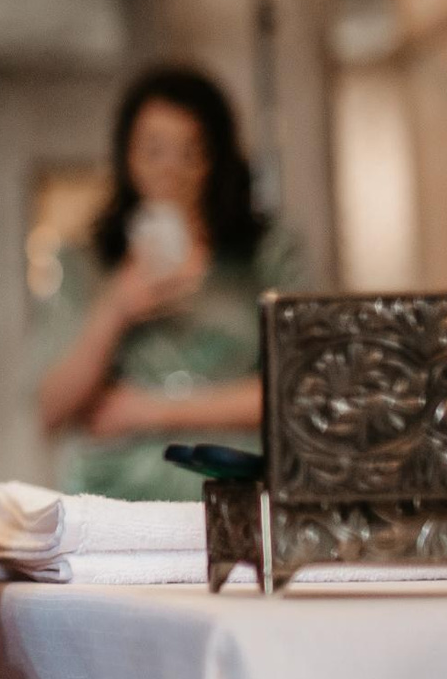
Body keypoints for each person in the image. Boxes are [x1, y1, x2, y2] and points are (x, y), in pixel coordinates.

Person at [34, 65, 305, 500]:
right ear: (127, 156)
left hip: (236, 487)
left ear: (216, 159)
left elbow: (300, 392)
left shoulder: (265, 256)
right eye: (154, 150)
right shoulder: (87, 261)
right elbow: (50, 408)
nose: (170, 170)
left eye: (190, 152)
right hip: (117, 492)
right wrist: (115, 309)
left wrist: (147, 410)